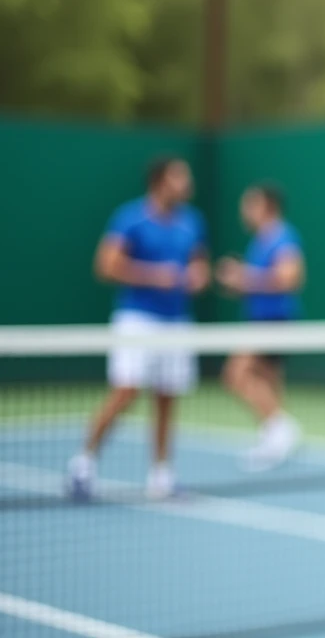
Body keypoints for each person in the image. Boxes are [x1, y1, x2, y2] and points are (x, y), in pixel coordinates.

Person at [68, 156, 209, 501]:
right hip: (137, 320)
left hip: (177, 322)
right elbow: (105, 266)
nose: (187, 183)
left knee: (166, 398)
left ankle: (161, 475)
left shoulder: (192, 222)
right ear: (161, 181)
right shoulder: (130, 218)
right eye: (180, 177)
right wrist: (153, 275)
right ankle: (83, 464)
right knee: (126, 392)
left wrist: (196, 278)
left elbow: (200, 266)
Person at [217, 183, 305, 471]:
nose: (244, 211)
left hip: (273, 322)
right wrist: (239, 283)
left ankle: (281, 427)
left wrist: (244, 276)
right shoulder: (260, 241)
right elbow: (260, 281)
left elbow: (290, 278)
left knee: (235, 374)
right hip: (259, 319)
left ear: (266, 206)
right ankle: (273, 440)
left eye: (249, 204)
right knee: (268, 381)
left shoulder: (282, 237)